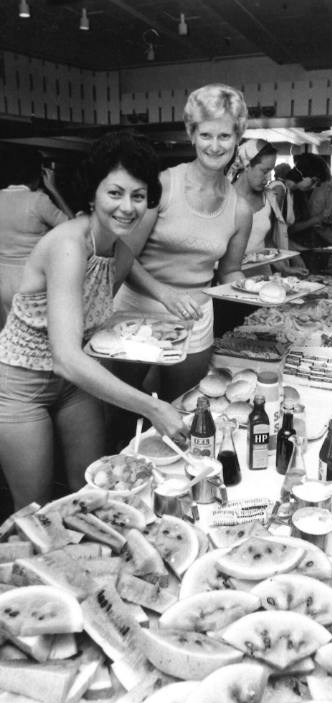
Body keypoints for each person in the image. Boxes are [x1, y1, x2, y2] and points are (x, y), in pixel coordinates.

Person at [0, 131, 188, 509]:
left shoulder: (115, 248)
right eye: (115, 193)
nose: (127, 207)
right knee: (35, 508)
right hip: (23, 385)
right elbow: (66, 357)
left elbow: (126, 263)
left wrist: (165, 293)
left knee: (94, 491)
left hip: (74, 386)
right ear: (92, 194)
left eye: (138, 196)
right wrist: (152, 406)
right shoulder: (69, 244)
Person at [112, 84, 252, 407]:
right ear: (191, 134)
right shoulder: (163, 185)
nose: (214, 146)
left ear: (237, 138)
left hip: (195, 316)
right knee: (122, 412)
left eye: (224, 137)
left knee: (185, 408)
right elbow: (123, 253)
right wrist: (164, 294)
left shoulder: (240, 210)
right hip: (137, 307)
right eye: (205, 135)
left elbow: (230, 271)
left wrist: (253, 291)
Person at [0, 148, 73, 328]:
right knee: (35, 340)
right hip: (31, 280)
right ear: (38, 174)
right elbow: (73, 227)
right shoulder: (38, 200)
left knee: (9, 338)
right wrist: (54, 190)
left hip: (2, 278)